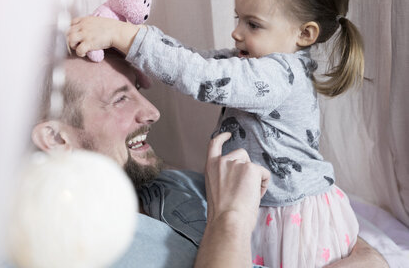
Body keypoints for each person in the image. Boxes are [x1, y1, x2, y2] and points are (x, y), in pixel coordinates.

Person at [67, 0, 364, 267]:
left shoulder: (279, 74)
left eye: (253, 24)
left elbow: (202, 76)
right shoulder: (256, 64)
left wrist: (127, 36)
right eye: (239, 19)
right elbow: (194, 59)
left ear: (305, 33)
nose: (236, 33)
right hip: (265, 205)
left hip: (291, 212)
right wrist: (134, 48)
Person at [30, 51, 387, 267]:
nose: (153, 112)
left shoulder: (175, 185)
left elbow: (360, 252)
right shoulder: (71, 245)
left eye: (138, 92)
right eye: (121, 99)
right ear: (57, 138)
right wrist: (229, 221)